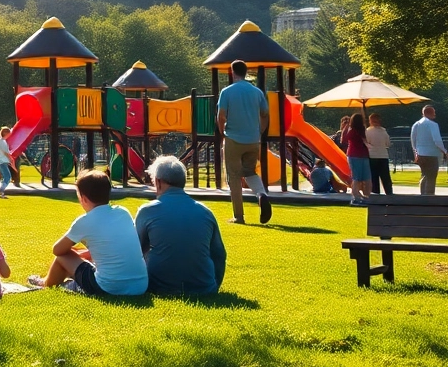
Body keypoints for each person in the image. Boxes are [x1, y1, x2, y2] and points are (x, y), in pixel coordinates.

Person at [31, 169, 147, 296]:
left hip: (108, 288)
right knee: (80, 257)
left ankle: (45, 283)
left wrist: (75, 253)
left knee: (63, 258)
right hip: (140, 285)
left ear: (84, 199)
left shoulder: (84, 222)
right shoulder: (123, 212)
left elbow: (57, 250)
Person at [134, 157, 226, 295]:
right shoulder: (205, 212)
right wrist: (214, 285)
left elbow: (135, 250)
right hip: (204, 288)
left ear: (158, 182)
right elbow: (219, 254)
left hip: (158, 287)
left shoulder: (148, 211)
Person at [216, 60, 273, 224]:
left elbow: (221, 115)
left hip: (234, 138)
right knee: (249, 171)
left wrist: (222, 132)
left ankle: (239, 216)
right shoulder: (257, 92)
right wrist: (259, 131)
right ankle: (261, 195)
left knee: (233, 176)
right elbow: (265, 114)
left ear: (233, 72)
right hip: (253, 139)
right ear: (246, 72)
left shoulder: (227, 92)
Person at [409, 105, 448, 195]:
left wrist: (415, 152)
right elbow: (437, 140)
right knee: (431, 176)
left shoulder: (416, 124)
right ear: (429, 113)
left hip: (420, 153)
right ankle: (430, 196)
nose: (435, 114)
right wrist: (444, 151)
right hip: (432, 154)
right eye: (434, 112)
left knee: (424, 175)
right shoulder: (433, 124)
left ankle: (422, 195)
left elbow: (413, 140)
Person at [342, 113, 372, 206]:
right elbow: (366, 141)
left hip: (353, 155)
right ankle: (366, 196)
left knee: (356, 177)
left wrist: (346, 125)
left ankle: (356, 197)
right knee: (366, 177)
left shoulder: (351, 130)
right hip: (364, 155)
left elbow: (343, 139)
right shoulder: (363, 130)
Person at [366, 113, 393, 195]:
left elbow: (366, 143)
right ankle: (389, 193)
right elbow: (388, 143)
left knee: (374, 177)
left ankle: (376, 193)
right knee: (385, 177)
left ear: (370, 121)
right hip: (383, 155)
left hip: (372, 156)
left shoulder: (367, 131)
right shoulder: (383, 131)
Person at [0, 126, 14, 199]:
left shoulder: (3, 141)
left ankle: (2, 191)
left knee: (6, 176)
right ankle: (1, 191)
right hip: (1, 161)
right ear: (6, 133)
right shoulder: (1, 141)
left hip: (2, 161)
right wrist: (10, 159)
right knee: (7, 176)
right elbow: (5, 152)